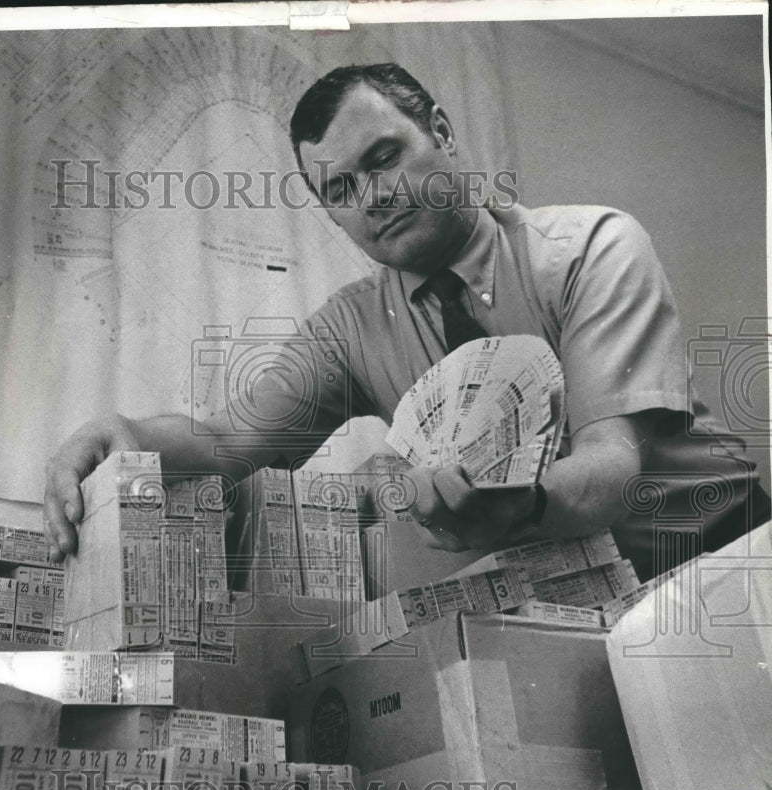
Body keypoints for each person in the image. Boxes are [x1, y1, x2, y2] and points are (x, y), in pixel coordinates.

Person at [44, 63, 769, 581]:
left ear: (444, 134)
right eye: (341, 189)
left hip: (722, 552)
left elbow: (613, 461)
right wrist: (129, 438)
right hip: (589, 592)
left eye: (384, 158)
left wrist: (521, 506)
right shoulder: (351, 330)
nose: (373, 197)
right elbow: (228, 441)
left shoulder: (588, 248)